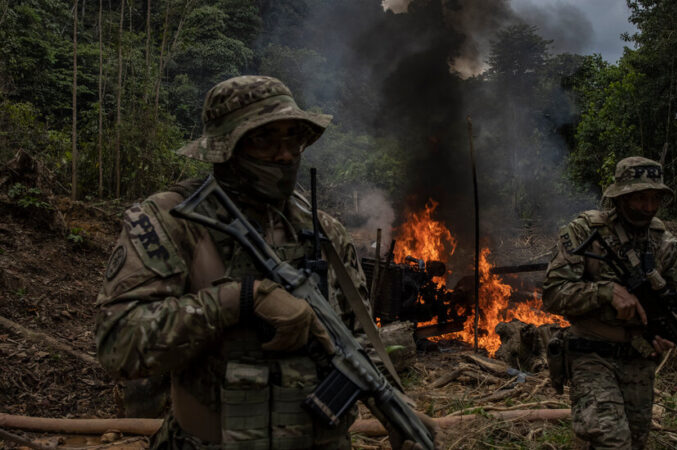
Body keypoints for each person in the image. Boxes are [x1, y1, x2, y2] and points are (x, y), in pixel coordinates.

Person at [95, 75, 431, 449]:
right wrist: (241, 300)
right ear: (226, 148)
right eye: (263, 138)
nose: (285, 154)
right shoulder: (172, 222)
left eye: (293, 137)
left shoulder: (325, 234)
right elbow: (118, 344)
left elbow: (357, 338)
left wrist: (393, 405)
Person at [542, 156, 677, 449]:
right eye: (639, 199)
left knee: (636, 441)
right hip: (591, 353)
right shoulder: (585, 232)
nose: (648, 207)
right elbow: (553, 294)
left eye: (654, 199)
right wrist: (605, 292)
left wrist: (669, 331)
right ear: (621, 197)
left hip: (639, 357)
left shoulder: (665, 243)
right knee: (613, 440)